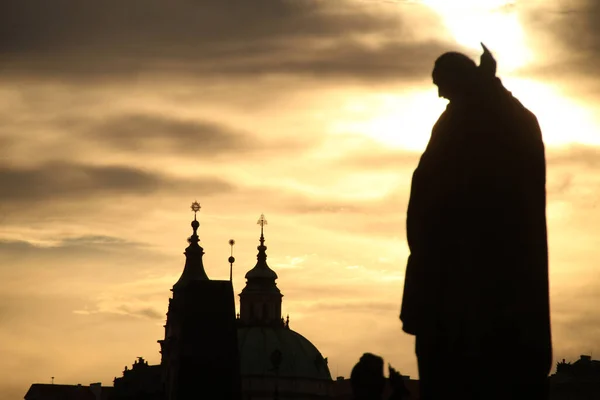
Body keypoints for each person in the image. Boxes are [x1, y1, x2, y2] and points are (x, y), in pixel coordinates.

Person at [399, 44, 552, 400]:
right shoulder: (465, 114)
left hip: (476, 269)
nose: (438, 93)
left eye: (442, 84)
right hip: (448, 267)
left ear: (459, 77)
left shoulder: (495, 117)